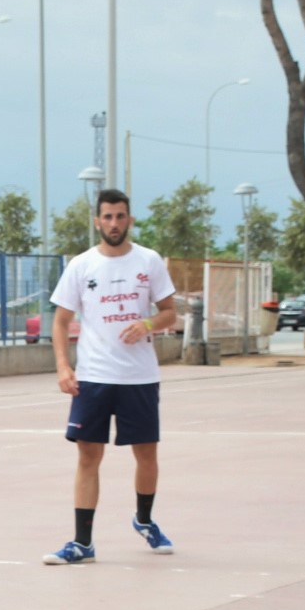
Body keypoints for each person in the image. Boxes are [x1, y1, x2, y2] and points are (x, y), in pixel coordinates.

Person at [45, 188, 179, 564]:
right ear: (97, 221)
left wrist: (148, 322)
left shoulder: (149, 261)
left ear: (130, 220)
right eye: (108, 217)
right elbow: (61, 320)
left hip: (139, 377)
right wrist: (63, 366)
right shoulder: (81, 265)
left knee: (146, 455)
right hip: (94, 377)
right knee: (88, 456)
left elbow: (171, 312)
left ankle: (145, 520)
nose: (114, 223)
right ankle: (82, 543)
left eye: (121, 216)